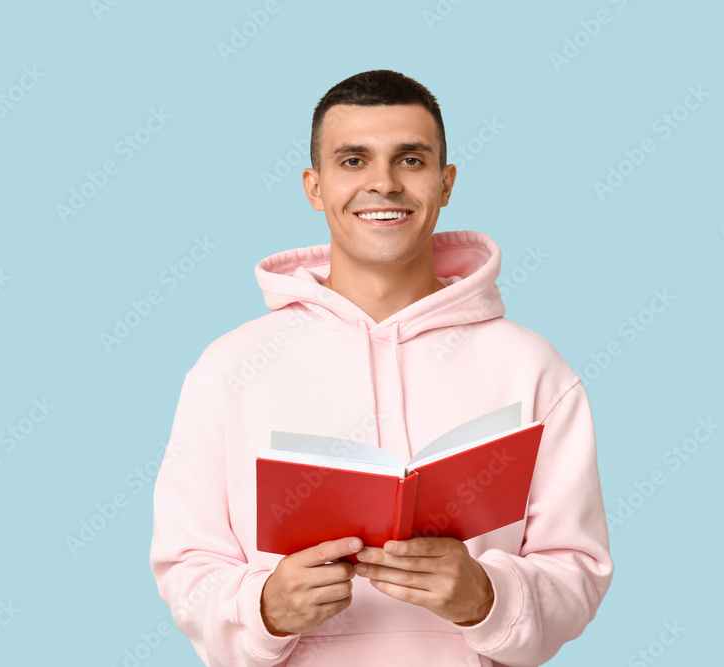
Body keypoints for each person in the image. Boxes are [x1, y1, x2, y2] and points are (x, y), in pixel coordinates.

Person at [150, 69, 613, 667]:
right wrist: (261, 609)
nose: (384, 184)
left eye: (411, 160)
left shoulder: (534, 369)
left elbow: (579, 568)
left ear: (446, 184)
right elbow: (187, 567)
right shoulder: (228, 370)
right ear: (314, 188)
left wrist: (488, 598)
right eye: (353, 161)